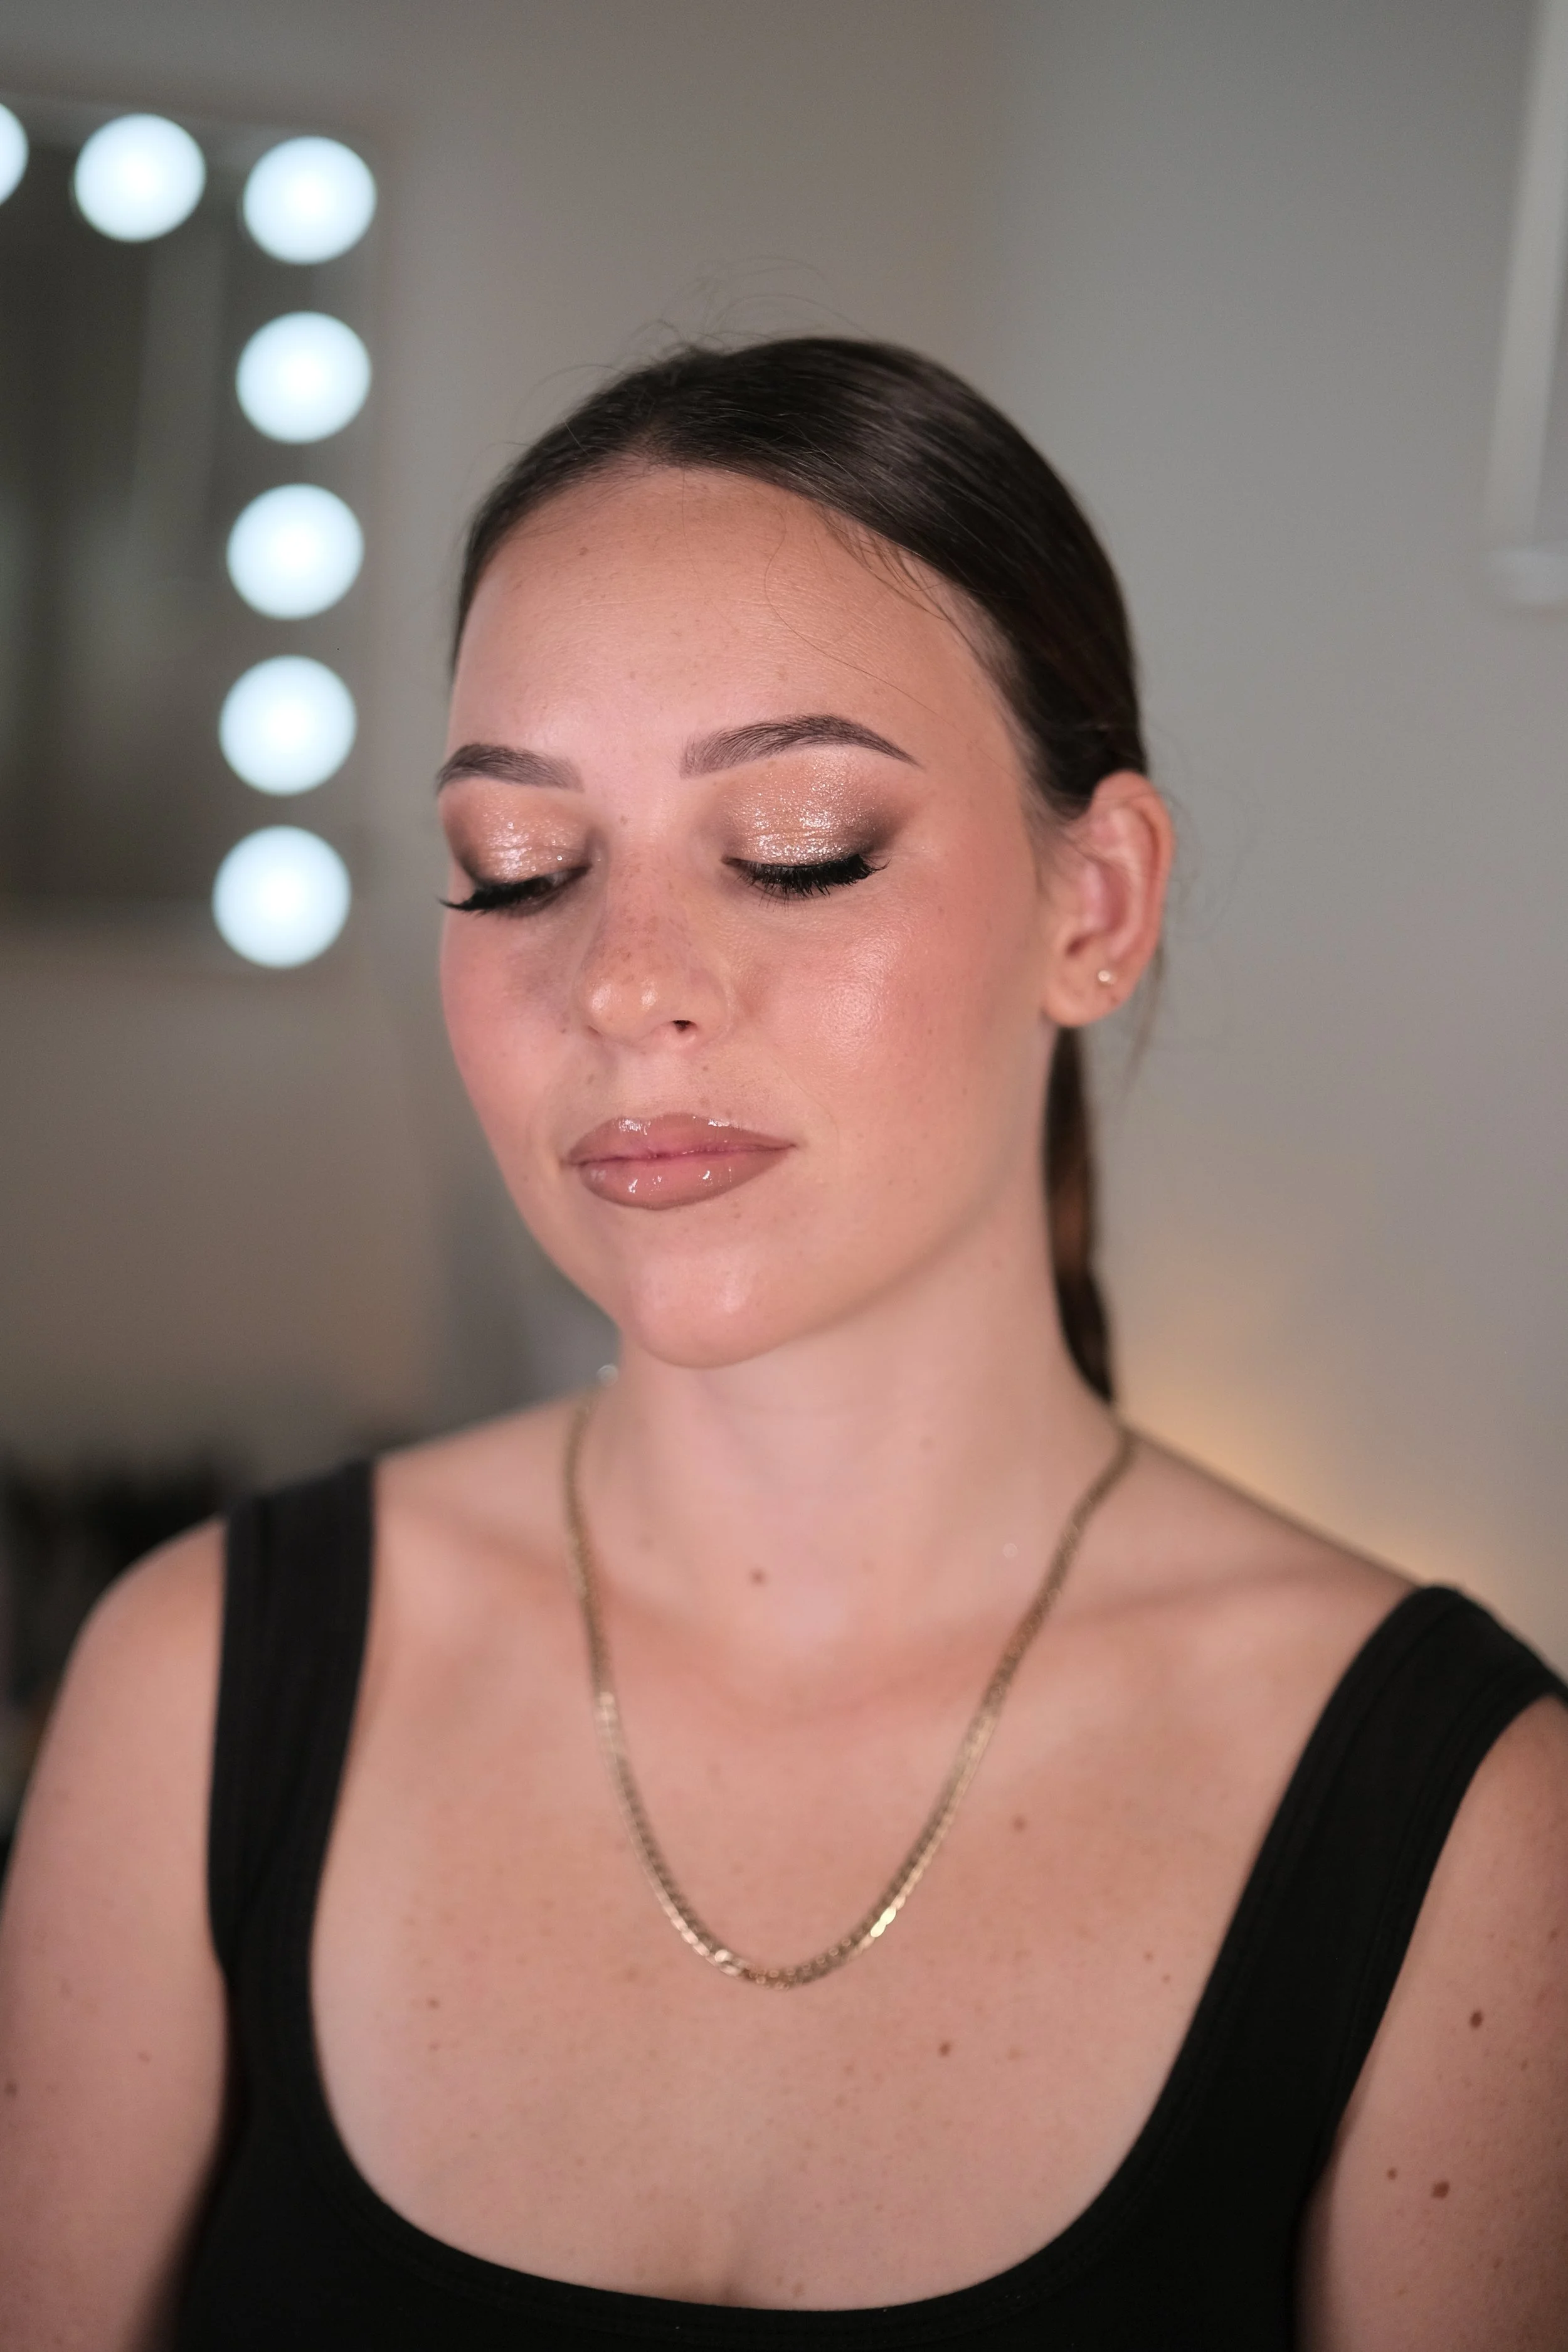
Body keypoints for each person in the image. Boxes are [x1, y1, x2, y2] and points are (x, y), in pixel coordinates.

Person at [1, 339, 1565, 2351]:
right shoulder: (195, 1687)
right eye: (518, 867)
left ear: (1096, 904)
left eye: (798, 844)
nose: (622, 983)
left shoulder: (1467, 1834)